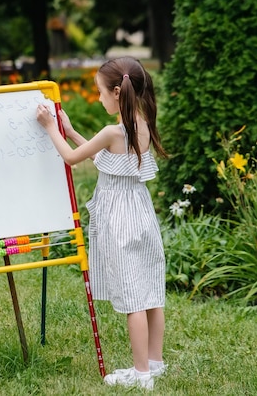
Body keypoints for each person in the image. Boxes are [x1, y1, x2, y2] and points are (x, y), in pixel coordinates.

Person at [35, 56, 168, 390]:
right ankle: (154, 364)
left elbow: (70, 158)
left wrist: (52, 128)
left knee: (133, 298)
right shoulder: (143, 124)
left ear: (116, 91)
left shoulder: (112, 131)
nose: (98, 98)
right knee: (150, 291)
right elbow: (108, 161)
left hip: (119, 218)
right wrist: (73, 131)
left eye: (100, 93)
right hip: (141, 213)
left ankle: (141, 376)